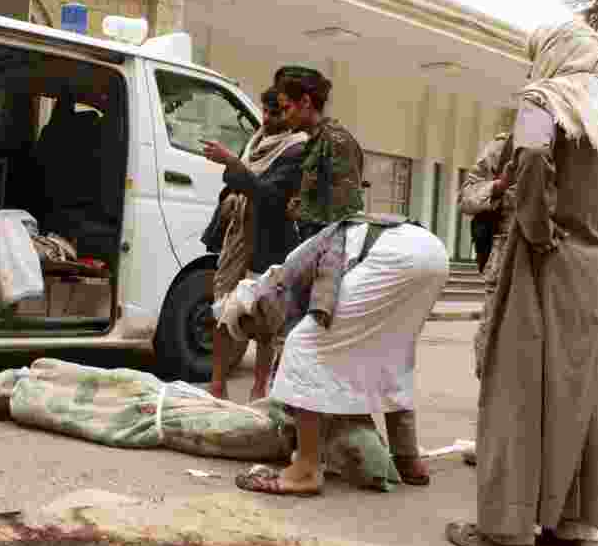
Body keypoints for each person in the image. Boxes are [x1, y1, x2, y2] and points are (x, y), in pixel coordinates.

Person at [446, 19, 598, 546]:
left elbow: (530, 160)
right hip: (591, 267)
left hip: (539, 262)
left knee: (517, 392)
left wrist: (537, 228)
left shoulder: (540, 101)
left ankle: (508, 531)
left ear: (551, 54)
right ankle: (578, 527)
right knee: (582, 396)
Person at [224, 212, 449, 495]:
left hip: (395, 257)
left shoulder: (269, 289)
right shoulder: (290, 275)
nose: (257, 338)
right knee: (391, 351)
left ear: (251, 313)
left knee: (303, 346)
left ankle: (305, 470)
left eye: (251, 331)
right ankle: (407, 459)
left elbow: (297, 345)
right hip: (432, 252)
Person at [200, 87, 310, 401]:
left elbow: (270, 195)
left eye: (275, 112)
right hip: (238, 239)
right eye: (265, 111)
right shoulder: (257, 140)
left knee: (264, 319)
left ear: (288, 114)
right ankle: (217, 386)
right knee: (222, 312)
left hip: (269, 243)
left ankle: (259, 390)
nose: (268, 118)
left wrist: (232, 163)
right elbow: (238, 181)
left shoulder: (295, 148)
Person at [456, 132, 516, 467]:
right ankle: (490, 438)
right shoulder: (502, 147)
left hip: (556, 265)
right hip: (504, 263)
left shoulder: (584, 143)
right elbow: (465, 197)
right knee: (490, 353)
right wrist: (498, 186)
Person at [272, 66, 366, 241]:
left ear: (306, 102)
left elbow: (346, 217)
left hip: (328, 254)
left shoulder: (336, 141)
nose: (284, 117)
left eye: (287, 108)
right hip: (313, 248)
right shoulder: (315, 142)